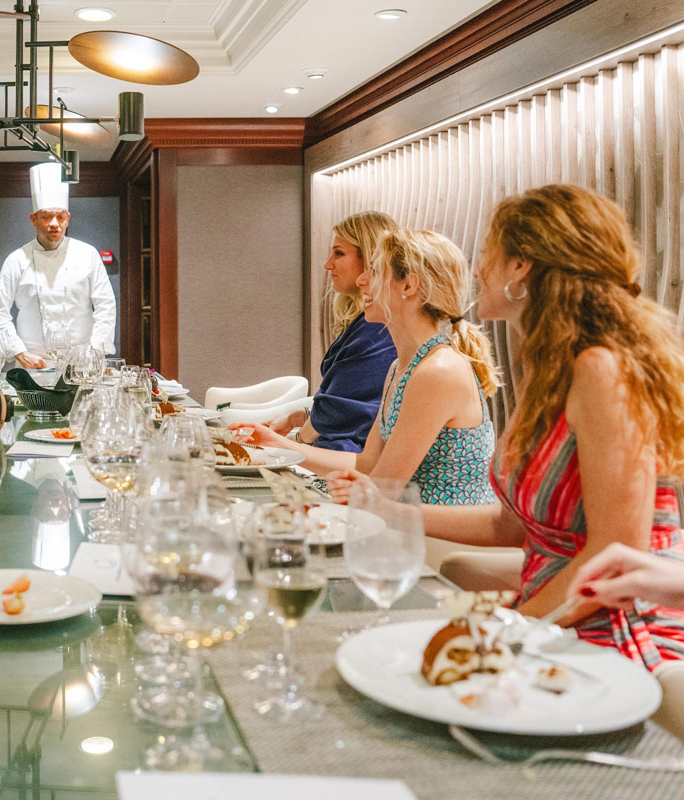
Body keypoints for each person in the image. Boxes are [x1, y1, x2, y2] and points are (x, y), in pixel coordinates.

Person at [420, 185, 684, 667]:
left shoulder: (603, 370)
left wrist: (507, 628)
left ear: (521, 267)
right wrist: (388, 515)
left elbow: (614, 553)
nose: (477, 270)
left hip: (614, 628)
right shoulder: (550, 371)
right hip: (553, 610)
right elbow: (512, 524)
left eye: (486, 254)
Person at [250, 229, 500, 505]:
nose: (361, 280)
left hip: (442, 542)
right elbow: (368, 463)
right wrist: (275, 444)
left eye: (376, 271)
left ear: (408, 286)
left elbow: (383, 488)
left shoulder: (438, 372)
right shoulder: (399, 367)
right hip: (406, 526)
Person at [263, 212, 398, 451]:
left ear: (371, 260)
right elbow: (348, 408)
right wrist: (298, 418)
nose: (328, 264)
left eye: (339, 253)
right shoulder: (369, 325)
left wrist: (290, 444)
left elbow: (341, 411)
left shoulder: (380, 332)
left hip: (342, 460)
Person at [0, 162, 116, 368]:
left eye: (60, 216)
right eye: (47, 217)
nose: (54, 223)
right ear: (33, 219)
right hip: (33, 362)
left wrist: (95, 351)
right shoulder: (16, 260)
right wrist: (20, 353)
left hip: (82, 361)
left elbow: (106, 306)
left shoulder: (88, 254)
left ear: (68, 219)